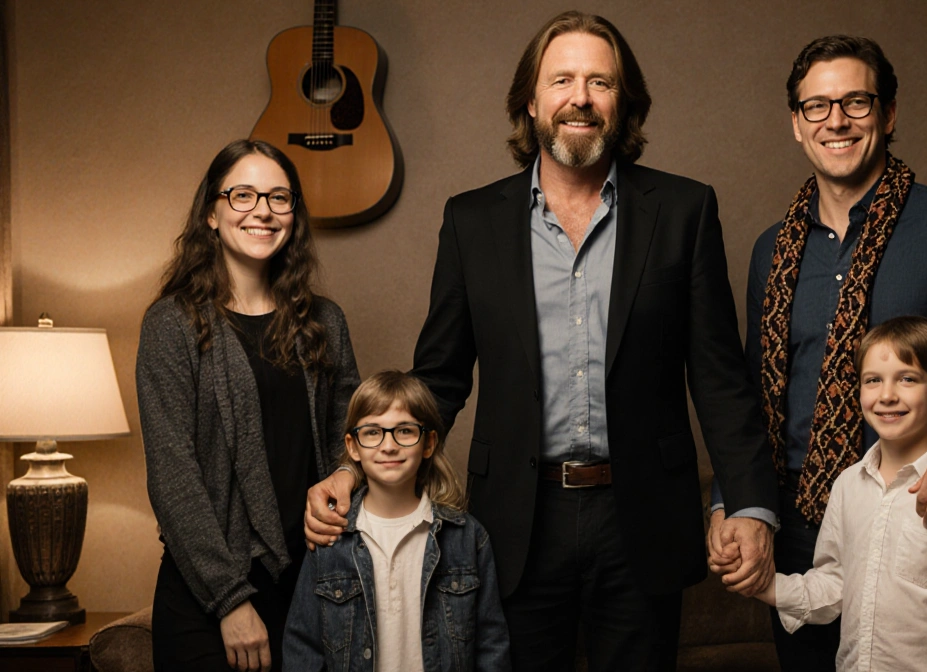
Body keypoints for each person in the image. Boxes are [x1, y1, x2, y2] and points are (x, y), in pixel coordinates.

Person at [304, 10, 779, 671]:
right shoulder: (472, 222)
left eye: (599, 82)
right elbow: (439, 378)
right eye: (561, 80)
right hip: (516, 523)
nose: (579, 97)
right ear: (530, 102)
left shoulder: (685, 210)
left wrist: (750, 502)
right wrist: (354, 466)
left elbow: (721, 377)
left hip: (642, 516)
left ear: (625, 103)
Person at [708, 35, 927, 669]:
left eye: (856, 102)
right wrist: (730, 501)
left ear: (888, 115)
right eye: (817, 106)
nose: (836, 120)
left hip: (924, 528)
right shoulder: (770, 252)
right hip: (800, 540)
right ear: (797, 125)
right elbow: (752, 395)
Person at [137, 139, 360, 671]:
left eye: (279, 198)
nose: (262, 210)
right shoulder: (172, 325)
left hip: (314, 582)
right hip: (206, 595)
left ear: (294, 216)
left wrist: (347, 474)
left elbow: (349, 430)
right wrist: (230, 599)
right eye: (242, 195)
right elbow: (173, 476)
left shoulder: (324, 321)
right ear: (212, 213)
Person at [753, 316, 927, 671]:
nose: (887, 395)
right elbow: (835, 583)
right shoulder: (848, 486)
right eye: (873, 381)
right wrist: (760, 583)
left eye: (907, 379)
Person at [283, 371, 510, 671]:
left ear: (428, 443)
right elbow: (303, 648)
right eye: (373, 432)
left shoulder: (467, 538)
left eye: (404, 431)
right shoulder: (330, 538)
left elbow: (491, 646)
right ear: (353, 446)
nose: (388, 446)